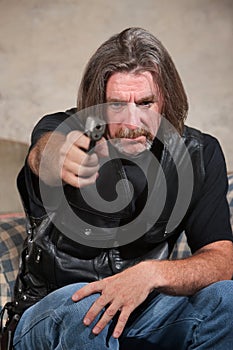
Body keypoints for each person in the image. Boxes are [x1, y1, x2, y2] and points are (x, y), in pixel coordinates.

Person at [7, 27, 233, 349]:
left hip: (142, 309)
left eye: (145, 103)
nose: (132, 122)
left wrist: (151, 274)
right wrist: (61, 155)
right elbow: (45, 150)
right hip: (52, 313)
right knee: (90, 311)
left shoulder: (198, 153)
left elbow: (223, 259)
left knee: (228, 298)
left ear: (166, 99)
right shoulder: (63, 130)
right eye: (116, 105)